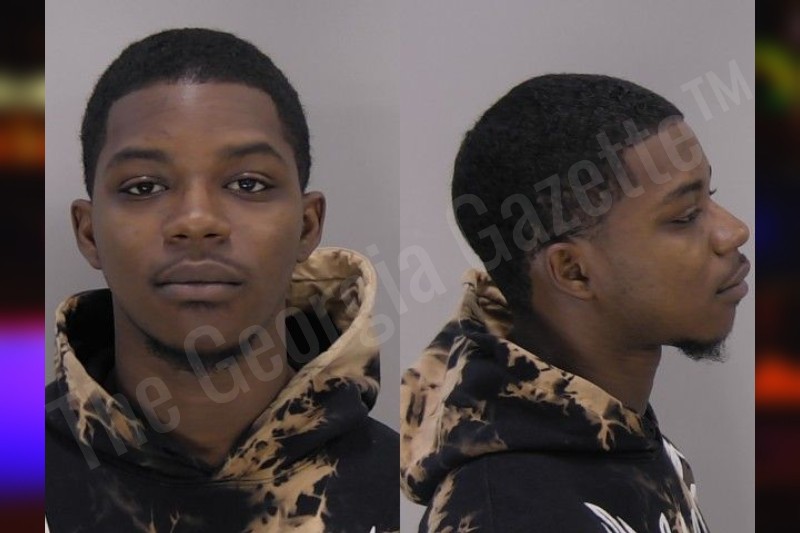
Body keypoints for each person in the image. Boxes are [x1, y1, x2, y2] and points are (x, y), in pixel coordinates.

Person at [45, 28, 398, 533]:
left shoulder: (409, 490)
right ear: (89, 233)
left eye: (247, 183)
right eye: (143, 187)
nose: (196, 221)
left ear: (306, 226)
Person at [400, 74, 750, 532]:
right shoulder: (507, 514)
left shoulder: (619, 437)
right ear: (573, 271)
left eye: (711, 197)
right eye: (685, 216)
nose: (733, 231)